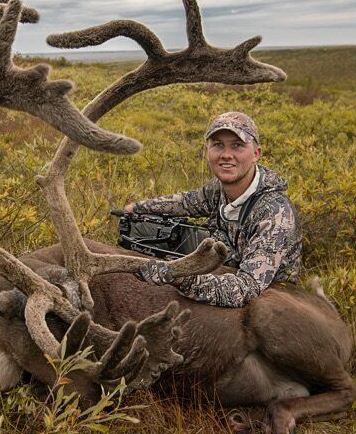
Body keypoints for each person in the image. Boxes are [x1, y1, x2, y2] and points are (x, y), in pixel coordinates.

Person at [123, 111, 301, 308]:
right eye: (218, 145)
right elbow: (186, 202)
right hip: (228, 260)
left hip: (269, 295)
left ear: (256, 154)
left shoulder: (275, 213)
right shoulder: (218, 188)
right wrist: (138, 208)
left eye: (237, 146)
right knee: (143, 227)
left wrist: (178, 276)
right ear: (207, 150)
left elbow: (245, 288)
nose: (226, 155)